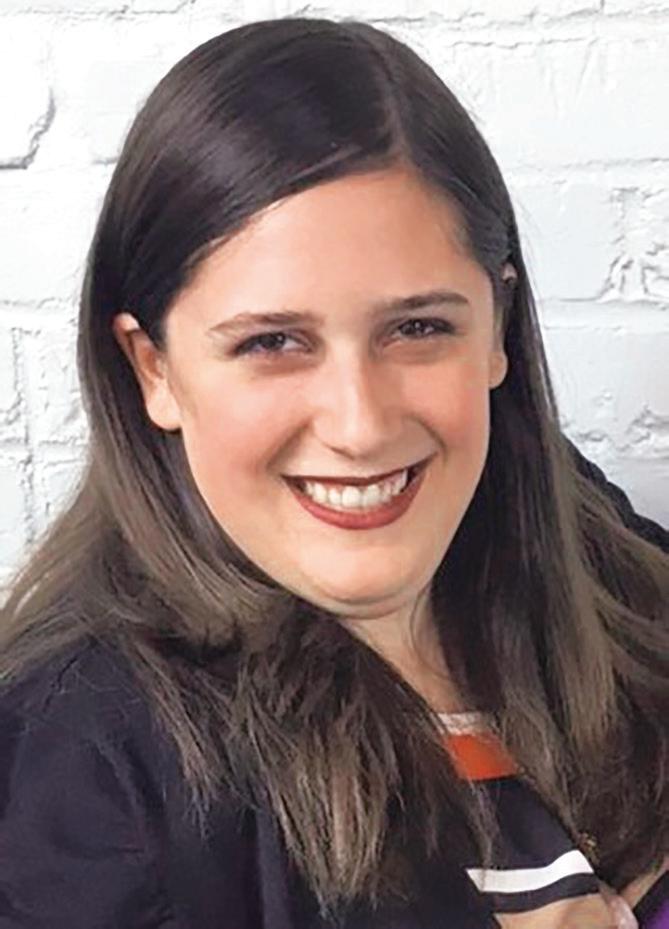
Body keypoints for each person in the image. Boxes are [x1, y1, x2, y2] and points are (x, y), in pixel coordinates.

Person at [0, 17, 667, 929]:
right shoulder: (87, 786)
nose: (359, 426)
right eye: (272, 342)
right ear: (153, 367)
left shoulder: (581, 535)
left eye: (418, 328)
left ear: (497, 326)